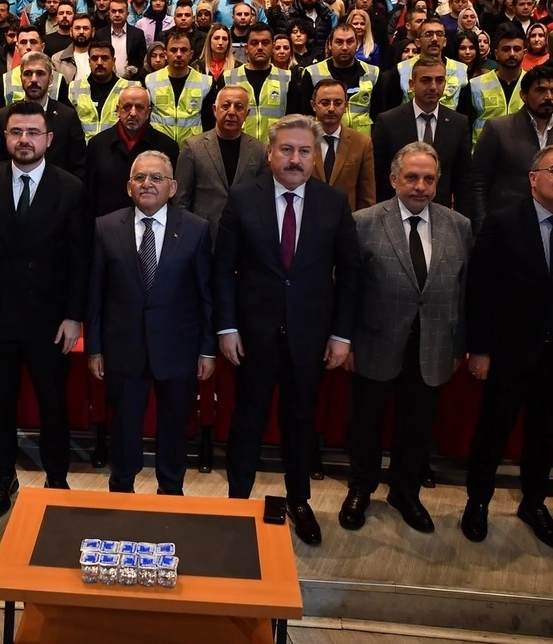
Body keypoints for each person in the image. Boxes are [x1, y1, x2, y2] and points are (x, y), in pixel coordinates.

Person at [214, 114, 359, 546]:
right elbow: (223, 269)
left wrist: (341, 335)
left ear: (315, 157)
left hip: (310, 337)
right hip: (252, 335)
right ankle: (237, 502)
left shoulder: (334, 202)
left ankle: (299, 500)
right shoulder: (243, 197)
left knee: (300, 421)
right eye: (287, 150)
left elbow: (350, 273)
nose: (295, 159)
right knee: (247, 420)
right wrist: (227, 327)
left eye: (304, 151)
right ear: (270, 153)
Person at [462, 145, 553, 548]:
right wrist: (480, 349)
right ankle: (478, 502)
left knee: (545, 435)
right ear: (533, 178)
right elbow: (480, 290)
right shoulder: (503, 222)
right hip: (509, 351)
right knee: (493, 431)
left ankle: (534, 503)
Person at [0, 100, 91, 517]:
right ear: (6, 138)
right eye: (17, 132)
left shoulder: (71, 187)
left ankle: (56, 477)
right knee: (0, 403)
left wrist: (74, 316)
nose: (24, 140)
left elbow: (81, 260)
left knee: (53, 403)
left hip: (50, 321)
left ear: (48, 139)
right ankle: (4, 476)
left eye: (33, 133)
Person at [341, 142, 471, 535]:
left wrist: (458, 343)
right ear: (394, 179)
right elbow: (347, 288)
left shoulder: (458, 225)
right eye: (411, 177)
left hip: (433, 344)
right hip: (374, 341)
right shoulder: (363, 222)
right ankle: (360, 487)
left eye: (429, 179)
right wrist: (345, 340)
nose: (420, 186)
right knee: (366, 423)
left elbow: (464, 292)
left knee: (417, 425)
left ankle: (405, 491)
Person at [86, 150, 214, 495]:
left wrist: (207, 350)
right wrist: (94, 347)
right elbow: (95, 294)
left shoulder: (197, 229)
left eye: (157, 178)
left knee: (175, 424)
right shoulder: (105, 227)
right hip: (123, 348)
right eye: (140, 177)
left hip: (178, 349)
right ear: (129, 187)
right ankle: (122, 488)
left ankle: (171, 490)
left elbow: (206, 294)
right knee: (124, 424)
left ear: (172, 187)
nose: (147, 184)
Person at [471, 67, 553, 231]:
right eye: (541, 90)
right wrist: (482, 227)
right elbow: (478, 183)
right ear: (523, 95)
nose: (549, 97)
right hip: (507, 224)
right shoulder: (498, 128)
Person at [372, 58, 473, 216]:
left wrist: (463, 220)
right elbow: (379, 175)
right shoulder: (388, 122)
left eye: (439, 80)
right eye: (426, 80)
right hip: (395, 213)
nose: (433, 87)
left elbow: (463, 179)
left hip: (441, 214)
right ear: (412, 85)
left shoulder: (458, 123)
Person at [174, 85, 268, 244]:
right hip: (203, 235)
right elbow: (181, 198)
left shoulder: (259, 150)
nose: (231, 112)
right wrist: (183, 235)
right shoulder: (193, 147)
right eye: (225, 106)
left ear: (247, 114)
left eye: (239, 107)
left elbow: (263, 198)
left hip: (245, 237)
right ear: (214, 110)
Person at [0, 51, 87, 181]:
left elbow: (79, 166)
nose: (33, 79)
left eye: (40, 74)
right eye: (28, 74)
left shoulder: (67, 117)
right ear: (21, 78)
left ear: (50, 79)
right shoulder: (3, 117)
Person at [84, 84, 179, 217]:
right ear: (118, 110)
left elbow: (173, 197)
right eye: (127, 107)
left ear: (148, 112)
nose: (133, 113)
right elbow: (89, 195)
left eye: (139, 107)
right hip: (108, 225)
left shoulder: (167, 147)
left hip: (153, 225)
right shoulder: (97, 145)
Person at [310, 78, 375, 211]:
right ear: (313, 105)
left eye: (338, 103)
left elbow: (367, 197)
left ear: (346, 106)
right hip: (307, 218)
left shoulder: (362, 143)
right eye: (325, 103)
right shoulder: (300, 141)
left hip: (346, 219)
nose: (331, 108)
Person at [146, 31, 212, 147]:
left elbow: (209, 123)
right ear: (165, 54)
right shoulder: (150, 81)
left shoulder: (205, 83)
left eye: (184, 50)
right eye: (173, 50)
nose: (179, 54)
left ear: (191, 54)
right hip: (158, 148)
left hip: (193, 149)